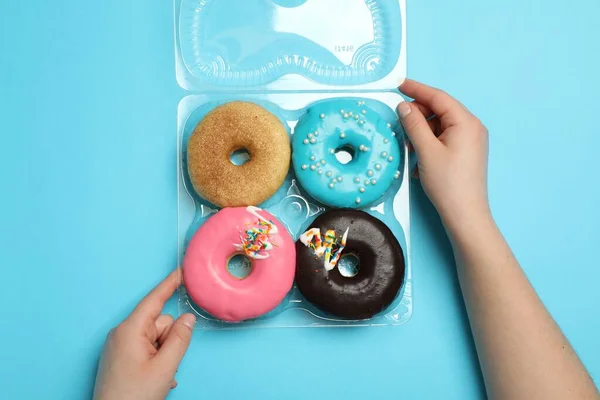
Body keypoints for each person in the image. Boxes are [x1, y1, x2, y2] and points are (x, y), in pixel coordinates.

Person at [93, 79, 600, 400]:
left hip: (325, 239)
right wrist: (471, 217)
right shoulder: (269, 228)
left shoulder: (303, 232)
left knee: (309, 243)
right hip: (295, 241)